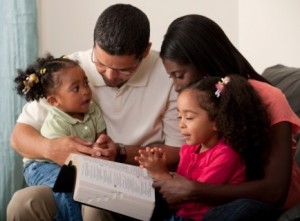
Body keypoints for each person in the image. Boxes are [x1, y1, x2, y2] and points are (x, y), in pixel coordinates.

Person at [7, 4, 184, 221]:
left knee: (94, 206)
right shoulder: (71, 70)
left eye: (123, 70)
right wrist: (52, 148)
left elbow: (177, 152)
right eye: (100, 63)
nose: (109, 75)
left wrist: (121, 153)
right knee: (24, 203)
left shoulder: (166, 74)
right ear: (94, 44)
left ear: (145, 52)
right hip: (78, 177)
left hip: (134, 180)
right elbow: (19, 137)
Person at [154, 14, 300, 221]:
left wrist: (194, 190)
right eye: (172, 77)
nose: (176, 86)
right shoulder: (201, 106)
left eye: (179, 75)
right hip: (217, 194)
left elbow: (275, 191)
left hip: (261, 203)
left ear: (203, 63)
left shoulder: (269, 98)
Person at [136, 75, 271, 220]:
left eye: (189, 118)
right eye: (179, 117)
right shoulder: (188, 149)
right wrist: (158, 166)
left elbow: (189, 200)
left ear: (217, 121)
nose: (181, 124)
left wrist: (161, 175)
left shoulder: (226, 155)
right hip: (180, 214)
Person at [14, 54, 106, 221]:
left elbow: (102, 138)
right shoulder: (56, 122)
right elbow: (62, 157)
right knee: (64, 188)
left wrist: (102, 145)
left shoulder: (93, 109)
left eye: (86, 83)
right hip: (41, 165)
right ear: (54, 101)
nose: (85, 91)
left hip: (69, 165)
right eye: (76, 88)